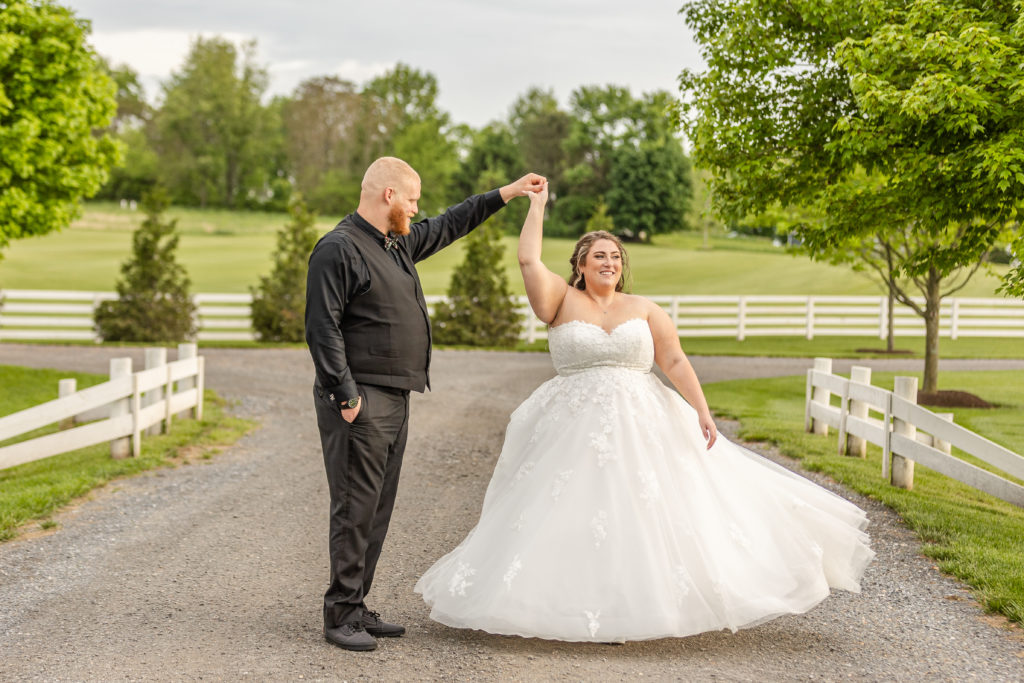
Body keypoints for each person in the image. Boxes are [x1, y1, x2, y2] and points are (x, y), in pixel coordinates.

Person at [415, 181, 874, 642]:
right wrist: (535, 205)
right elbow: (527, 260)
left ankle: (639, 604)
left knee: (649, 510)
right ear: (579, 264)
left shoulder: (646, 309)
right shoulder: (558, 300)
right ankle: (563, 602)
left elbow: (674, 361)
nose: (609, 263)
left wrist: (702, 411)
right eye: (599, 256)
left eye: (615, 257)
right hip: (571, 425)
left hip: (644, 422)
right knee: (570, 511)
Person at [305, 156, 545, 651]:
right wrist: (345, 395)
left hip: (395, 394)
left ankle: (357, 605)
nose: (418, 209)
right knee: (355, 507)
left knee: (377, 508)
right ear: (388, 194)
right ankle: (339, 615)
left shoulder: (397, 244)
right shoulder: (338, 248)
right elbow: (321, 327)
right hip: (360, 397)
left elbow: (452, 223)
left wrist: (509, 191)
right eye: (412, 199)